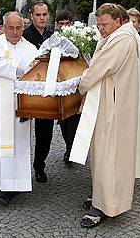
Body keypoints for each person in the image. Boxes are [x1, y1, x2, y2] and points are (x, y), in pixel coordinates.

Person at [70, 3, 140, 228]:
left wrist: (81, 84)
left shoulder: (122, 39)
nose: (101, 29)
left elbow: (100, 68)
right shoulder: (119, 36)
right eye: (98, 25)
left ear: (118, 21)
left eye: (104, 24)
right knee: (104, 155)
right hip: (110, 103)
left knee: (109, 156)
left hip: (113, 107)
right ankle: (101, 196)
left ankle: (104, 207)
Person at [0, 12, 37, 204]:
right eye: (10, 28)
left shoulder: (30, 47)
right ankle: (2, 184)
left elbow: (35, 70)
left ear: (23, 27)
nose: (15, 32)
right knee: (0, 143)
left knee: (20, 143)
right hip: (1, 102)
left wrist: (22, 69)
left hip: (23, 102)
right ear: (4, 27)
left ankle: (18, 182)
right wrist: (21, 68)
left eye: (18, 27)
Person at [23, 2, 53, 182]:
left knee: (45, 131)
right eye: (38, 15)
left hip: (45, 89)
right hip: (28, 88)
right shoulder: (25, 36)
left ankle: (39, 165)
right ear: (32, 16)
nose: (42, 18)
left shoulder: (52, 36)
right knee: (22, 131)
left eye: (44, 14)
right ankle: (20, 169)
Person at [54, 10, 81, 165]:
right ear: (58, 24)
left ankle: (71, 148)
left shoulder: (78, 38)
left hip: (75, 82)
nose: (63, 26)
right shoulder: (54, 38)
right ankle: (68, 146)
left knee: (74, 118)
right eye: (61, 23)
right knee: (63, 119)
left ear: (71, 23)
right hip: (60, 82)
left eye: (66, 23)